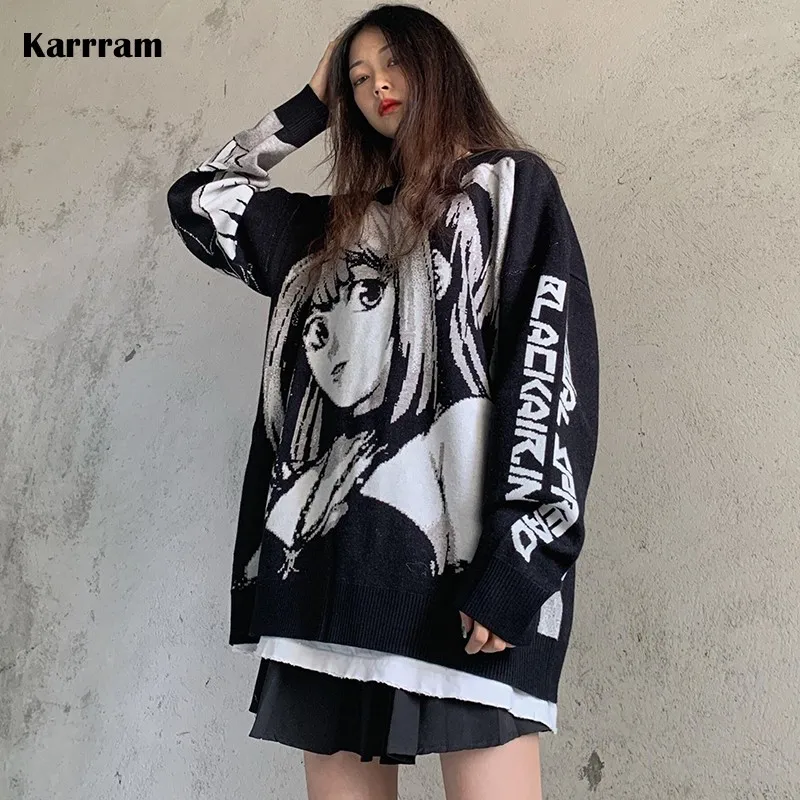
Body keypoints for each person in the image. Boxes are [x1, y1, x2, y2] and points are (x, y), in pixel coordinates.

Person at [166, 4, 600, 798]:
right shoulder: (320, 230)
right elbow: (196, 197)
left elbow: (547, 376)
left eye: (393, 61)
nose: (377, 86)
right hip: (326, 588)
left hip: (466, 588)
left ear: (439, 65)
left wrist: (520, 566)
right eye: (357, 77)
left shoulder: (507, 191)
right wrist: (309, 104)